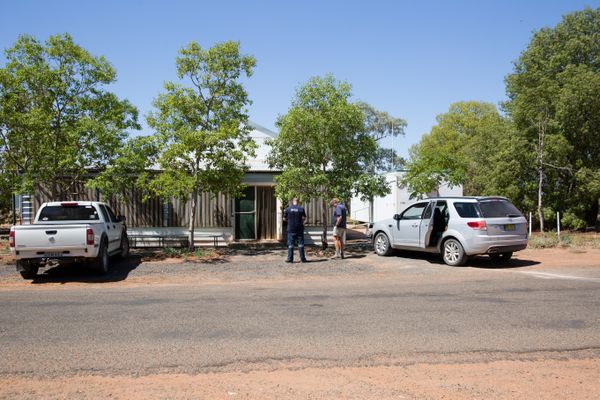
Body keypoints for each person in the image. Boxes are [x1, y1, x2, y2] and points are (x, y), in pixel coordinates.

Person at [283, 197, 307, 263]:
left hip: (291, 228)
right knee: (301, 244)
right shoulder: (301, 209)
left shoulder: (288, 209)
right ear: (298, 202)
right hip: (299, 229)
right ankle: (302, 259)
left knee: (291, 244)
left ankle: (290, 259)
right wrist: (302, 223)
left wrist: (289, 221)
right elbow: (305, 218)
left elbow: (284, 218)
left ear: (292, 201)